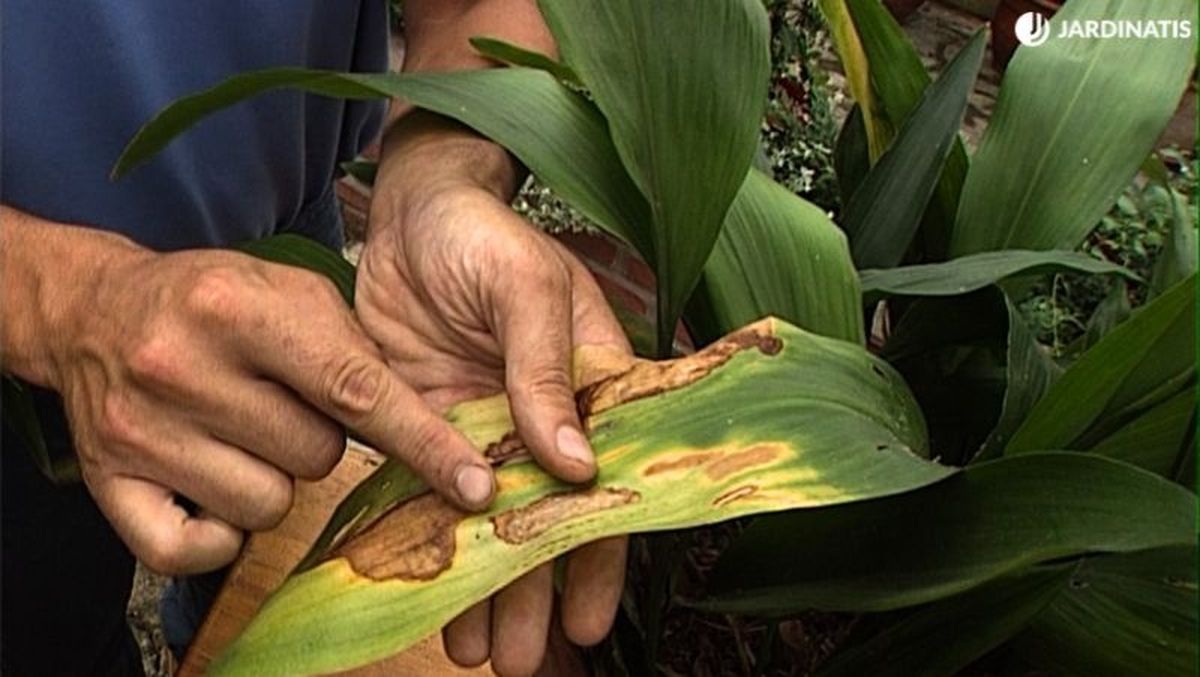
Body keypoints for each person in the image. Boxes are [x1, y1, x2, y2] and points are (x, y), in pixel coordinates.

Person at [0, 1, 629, 674]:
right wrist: (56, 301)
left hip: (288, 245)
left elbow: (469, 10)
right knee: (50, 636)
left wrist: (443, 168)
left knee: (257, 573)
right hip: (23, 358)